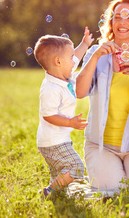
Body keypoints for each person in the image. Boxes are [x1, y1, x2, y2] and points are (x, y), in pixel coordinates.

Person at [76, 0, 129, 190]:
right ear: (111, 22)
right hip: (101, 146)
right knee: (112, 193)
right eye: (117, 17)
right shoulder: (96, 53)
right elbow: (80, 92)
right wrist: (96, 55)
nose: (122, 22)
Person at [34, 27, 94, 198]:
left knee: (60, 172)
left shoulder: (61, 75)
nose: (74, 61)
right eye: (70, 58)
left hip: (55, 140)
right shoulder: (51, 88)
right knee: (76, 167)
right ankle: (49, 192)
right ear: (58, 61)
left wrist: (84, 44)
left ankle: (56, 193)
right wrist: (70, 123)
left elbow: (76, 57)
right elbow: (48, 115)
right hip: (53, 141)